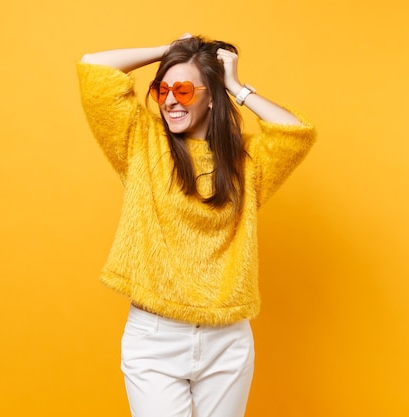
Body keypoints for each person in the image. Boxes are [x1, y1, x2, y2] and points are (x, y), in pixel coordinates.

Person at [77, 34, 316, 417]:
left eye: (185, 90)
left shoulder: (246, 162)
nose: (170, 100)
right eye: (163, 89)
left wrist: (236, 87)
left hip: (227, 340)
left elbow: (296, 133)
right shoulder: (141, 143)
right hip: (155, 338)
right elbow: (95, 66)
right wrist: (167, 50)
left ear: (211, 95)